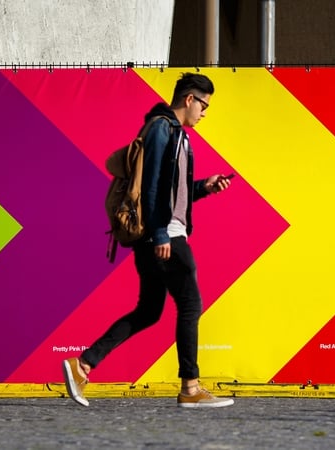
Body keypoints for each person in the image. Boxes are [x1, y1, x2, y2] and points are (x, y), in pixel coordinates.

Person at [63, 73, 234, 408]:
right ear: (189, 99)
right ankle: (191, 387)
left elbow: (173, 193)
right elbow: (151, 186)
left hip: (164, 232)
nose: (205, 112)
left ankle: (82, 365)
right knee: (190, 304)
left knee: (149, 311)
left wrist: (205, 187)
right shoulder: (162, 128)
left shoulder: (177, 135)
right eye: (204, 105)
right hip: (164, 235)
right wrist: (159, 234)